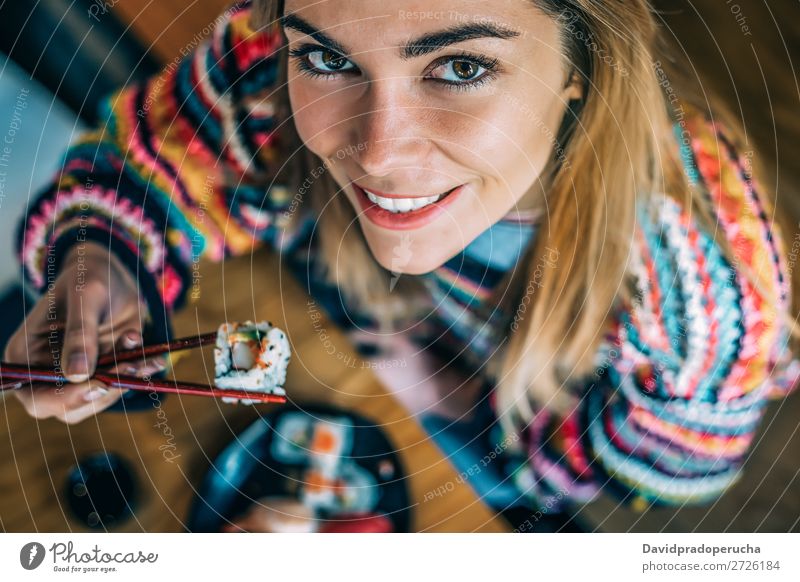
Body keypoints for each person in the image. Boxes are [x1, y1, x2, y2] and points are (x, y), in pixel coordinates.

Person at [7, 0, 800, 527]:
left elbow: (663, 467)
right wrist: (104, 254)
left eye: (460, 68)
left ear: (582, 67)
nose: (378, 157)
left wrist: (464, 409)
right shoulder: (279, 47)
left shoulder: (712, 298)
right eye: (326, 61)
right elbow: (163, 156)